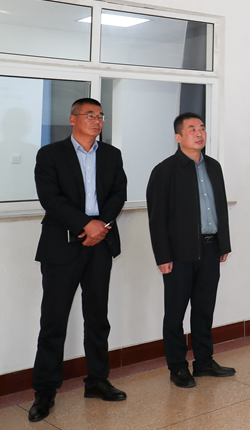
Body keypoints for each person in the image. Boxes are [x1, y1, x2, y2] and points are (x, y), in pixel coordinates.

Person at [29, 98, 128, 422]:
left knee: (97, 318)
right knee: (54, 320)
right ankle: (45, 391)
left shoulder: (111, 155)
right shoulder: (50, 154)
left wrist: (101, 226)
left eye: (100, 116)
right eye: (90, 115)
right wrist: (85, 224)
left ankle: (97, 381)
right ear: (73, 119)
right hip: (62, 246)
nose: (97, 120)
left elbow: (118, 194)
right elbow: (50, 198)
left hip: (100, 246)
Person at [146, 112, 235, 389]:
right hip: (179, 254)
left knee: (204, 308)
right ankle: (177, 367)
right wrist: (163, 256)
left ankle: (204, 362)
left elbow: (220, 208)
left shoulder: (214, 167)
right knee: (175, 313)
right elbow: (157, 218)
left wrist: (223, 243)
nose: (199, 133)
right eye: (192, 129)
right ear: (178, 137)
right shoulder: (165, 170)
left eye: (202, 128)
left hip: (210, 249)